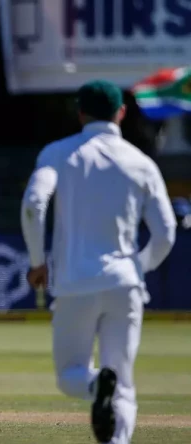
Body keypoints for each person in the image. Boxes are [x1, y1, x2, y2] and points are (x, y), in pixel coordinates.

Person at [21, 80, 176, 443]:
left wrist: (36, 261)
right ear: (121, 112)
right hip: (126, 285)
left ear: (80, 113)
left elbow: (33, 205)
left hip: (75, 283)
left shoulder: (58, 153)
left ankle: (94, 385)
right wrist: (139, 266)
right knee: (123, 383)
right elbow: (166, 233)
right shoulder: (141, 162)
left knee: (71, 376)